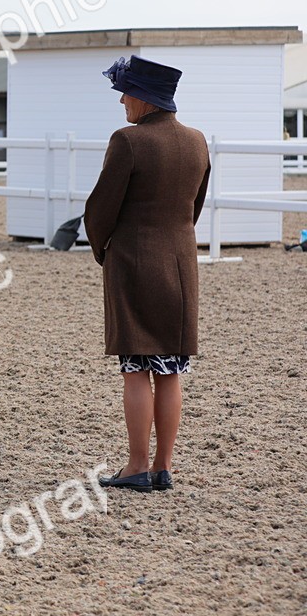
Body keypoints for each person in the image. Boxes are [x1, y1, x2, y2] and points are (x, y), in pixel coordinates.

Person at [85, 56, 211, 493]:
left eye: (125, 92)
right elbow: (193, 209)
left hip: (134, 266)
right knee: (171, 369)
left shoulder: (129, 141)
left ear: (142, 99)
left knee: (136, 368)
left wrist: (105, 250)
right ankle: (162, 467)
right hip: (181, 264)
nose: (121, 99)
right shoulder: (197, 142)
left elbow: (100, 210)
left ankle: (136, 465)